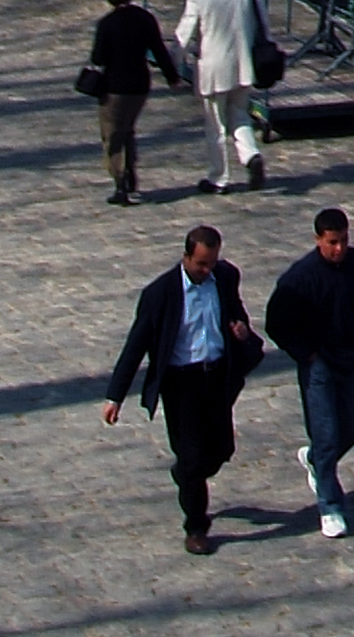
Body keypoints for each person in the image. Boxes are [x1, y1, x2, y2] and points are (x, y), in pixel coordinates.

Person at [103, 221, 265, 554]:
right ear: (186, 257)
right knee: (192, 457)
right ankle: (196, 527)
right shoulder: (160, 294)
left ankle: (186, 474)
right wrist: (115, 396)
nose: (207, 270)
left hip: (217, 377)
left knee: (220, 450)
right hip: (181, 383)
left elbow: (236, 313)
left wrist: (241, 331)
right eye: (201, 263)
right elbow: (136, 345)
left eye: (212, 263)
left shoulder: (225, 278)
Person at [266, 204, 354, 540]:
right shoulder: (301, 278)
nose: (339, 249)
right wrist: (307, 354)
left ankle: (317, 460)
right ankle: (330, 505)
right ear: (318, 239)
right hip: (319, 366)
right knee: (325, 432)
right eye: (332, 242)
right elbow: (277, 322)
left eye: (344, 241)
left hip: (352, 360)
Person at [82, 0, 182, 207]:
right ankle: (130, 171)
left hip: (115, 87)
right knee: (127, 128)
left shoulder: (107, 24)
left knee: (113, 133)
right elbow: (159, 50)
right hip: (139, 85)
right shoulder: (145, 18)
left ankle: (121, 180)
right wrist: (171, 76)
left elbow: (98, 57)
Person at [173, 0, 271, 189]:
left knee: (215, 125)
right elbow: (263, 24)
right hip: (243, 65)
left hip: (214, 70)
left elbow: (182, 37)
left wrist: (173, 66)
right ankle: (251, 156)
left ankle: (219, 178)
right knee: (240, 114)